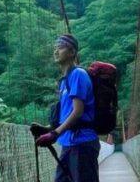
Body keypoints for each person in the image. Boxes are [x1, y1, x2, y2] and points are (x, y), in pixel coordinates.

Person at [33, 34, 99, 182]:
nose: (56, 51)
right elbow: (67, 115)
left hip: (82, 143)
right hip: (68, 144)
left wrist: (54, 134)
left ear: (72, 52)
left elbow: (78, 111)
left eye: (60, 47)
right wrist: (47, 129)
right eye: (54, 48)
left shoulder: (78, 74)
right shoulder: (64, 81)